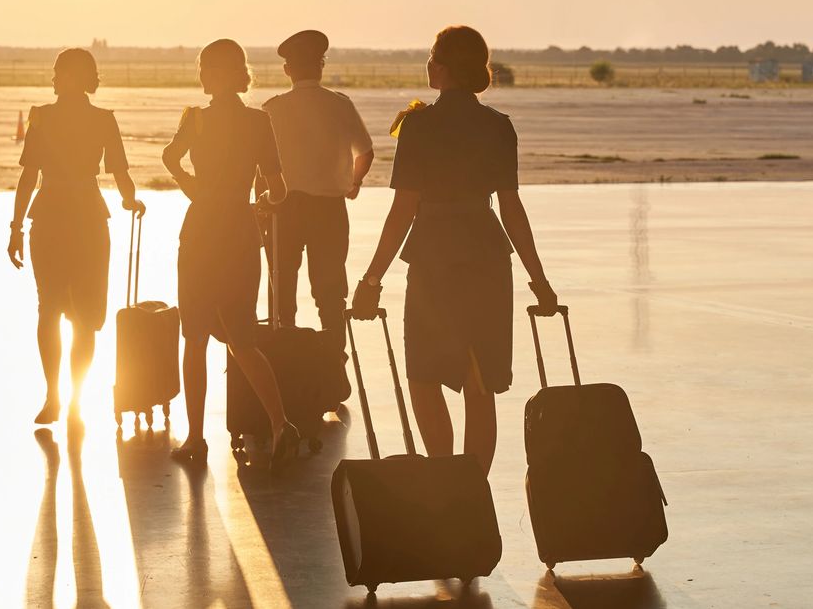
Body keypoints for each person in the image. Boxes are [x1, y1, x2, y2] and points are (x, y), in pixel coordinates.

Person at [352, 26, 558, 474]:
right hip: (487, 256)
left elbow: (402, 209)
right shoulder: (498, 126)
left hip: (432, 257)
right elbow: (512, 209)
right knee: (478, 380)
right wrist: (538, 281)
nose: (427, 65)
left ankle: (444, 477)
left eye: (431, 57)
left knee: (423, 376)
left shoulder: (419, 126)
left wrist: (371, 280)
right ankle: (473, 489)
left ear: (442, 69)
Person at [162, 39, 300, 470]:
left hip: (202, 229)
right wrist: (261, 199)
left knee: (195, 338)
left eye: (204, 69)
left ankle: (197, 437)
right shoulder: (259, 121)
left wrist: (191, 185)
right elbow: (278, 188)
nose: (200, 76)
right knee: (242, 338)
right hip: (240, 232)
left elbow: (169, 157)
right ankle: (280, 423)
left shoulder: (196, 120)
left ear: (215, 74)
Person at [9, 48, 144, 425]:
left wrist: (16, 226)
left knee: (49, 308)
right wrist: (131, 202)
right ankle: (72, 399)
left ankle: (56, 394)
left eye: (57, 72)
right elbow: (120, 174)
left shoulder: (43, 118)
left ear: (71, 76)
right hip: (87, 216)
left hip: (51, 215)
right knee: (84, 315)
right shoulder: (102, 120)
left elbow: (28, 177)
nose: (52, 79)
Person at [262, 30, 374, 362]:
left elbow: (261, 164)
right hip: (329, 209)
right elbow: (365, 152)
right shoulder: (339, 104)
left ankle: (284, 357)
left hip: (284, 208)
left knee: (282, 287)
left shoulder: (272, 108)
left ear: (287, 70)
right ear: (321, 66)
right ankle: (333, 361)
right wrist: (353, 183)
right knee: (329, 290)